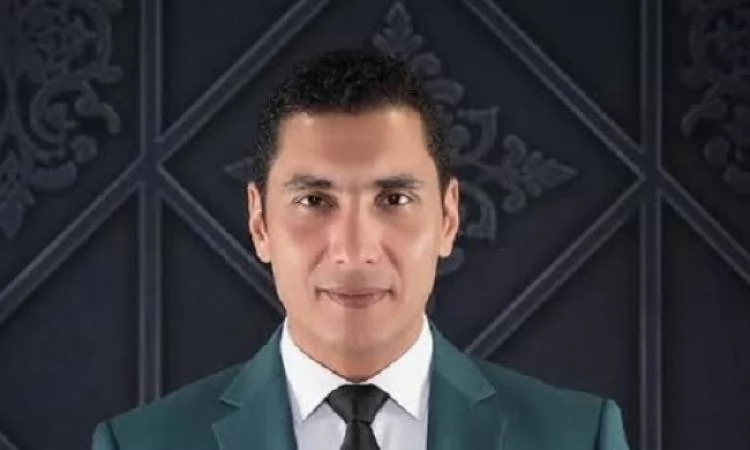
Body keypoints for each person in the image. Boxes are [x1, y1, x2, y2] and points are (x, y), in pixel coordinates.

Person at [92, 48, 629, 450]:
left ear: (448, 217)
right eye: (313, 200)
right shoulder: (138, 445)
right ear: (259, 222)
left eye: (394, 199)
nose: (353, 252)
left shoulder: (578, 438)